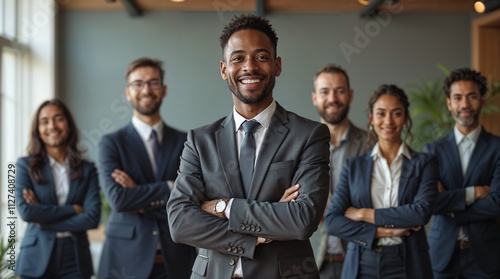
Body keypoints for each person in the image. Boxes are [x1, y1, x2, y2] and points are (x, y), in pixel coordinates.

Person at [167, 14, 330, 279]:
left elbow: (302, 220)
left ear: (277, 66)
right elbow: (180, 223)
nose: (249, 67)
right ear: (223, 69)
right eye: (238, 58)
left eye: (261, 57)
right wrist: (256, 237)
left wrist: (224, 207)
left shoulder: (310, 135)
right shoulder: (200, 141)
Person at [324, 84, 438, 279]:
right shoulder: (354, 167)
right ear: (371, 118)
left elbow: (420, 213)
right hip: (362, 262)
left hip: (408, 261)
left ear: (405, 118)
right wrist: (380, 232)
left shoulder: (424, 163)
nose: (388, 121)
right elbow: (332, 222)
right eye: (381, 113)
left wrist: (363, 213)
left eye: (396, 113)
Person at [97, 57, 196, 279]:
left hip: (177, 260)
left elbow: (192, 203)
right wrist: (170, 187)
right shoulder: (111, 143)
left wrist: (138, 196)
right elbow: (119, 200)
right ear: (127, 92)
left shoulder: (187, 142)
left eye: (153, 82)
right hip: (124, 261)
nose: (146, 90)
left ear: (164, 89)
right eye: (138, 84)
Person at [424, 67, 500, 278]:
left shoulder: (497, 148)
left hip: (486, 257)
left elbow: (497, 202)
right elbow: (431, 202)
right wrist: (474, 193)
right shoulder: (432, 150)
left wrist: (450, 205)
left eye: (472, 97)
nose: (465, 104)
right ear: (449, 103)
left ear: (482, 100)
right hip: (442, 255)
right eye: (458, 98)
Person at [15, 99, 101, 279]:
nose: (52, 126)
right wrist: (73, 210)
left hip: (75, 257)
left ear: (69, 125)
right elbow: (27, 212)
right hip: (36, 256)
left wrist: (45, 220)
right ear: (38, 130)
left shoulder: (87, 169)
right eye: (44, 121)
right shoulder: (25, 166)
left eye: (58, 119)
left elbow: (92, 218)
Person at [309, 64, 374, 279]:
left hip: (360, 257)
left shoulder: (371, 144)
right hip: (311, 261)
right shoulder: (299, 145)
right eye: (325, 92)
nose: (332, 98)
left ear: (350, 95)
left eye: (339, 91)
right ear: (314, 98)